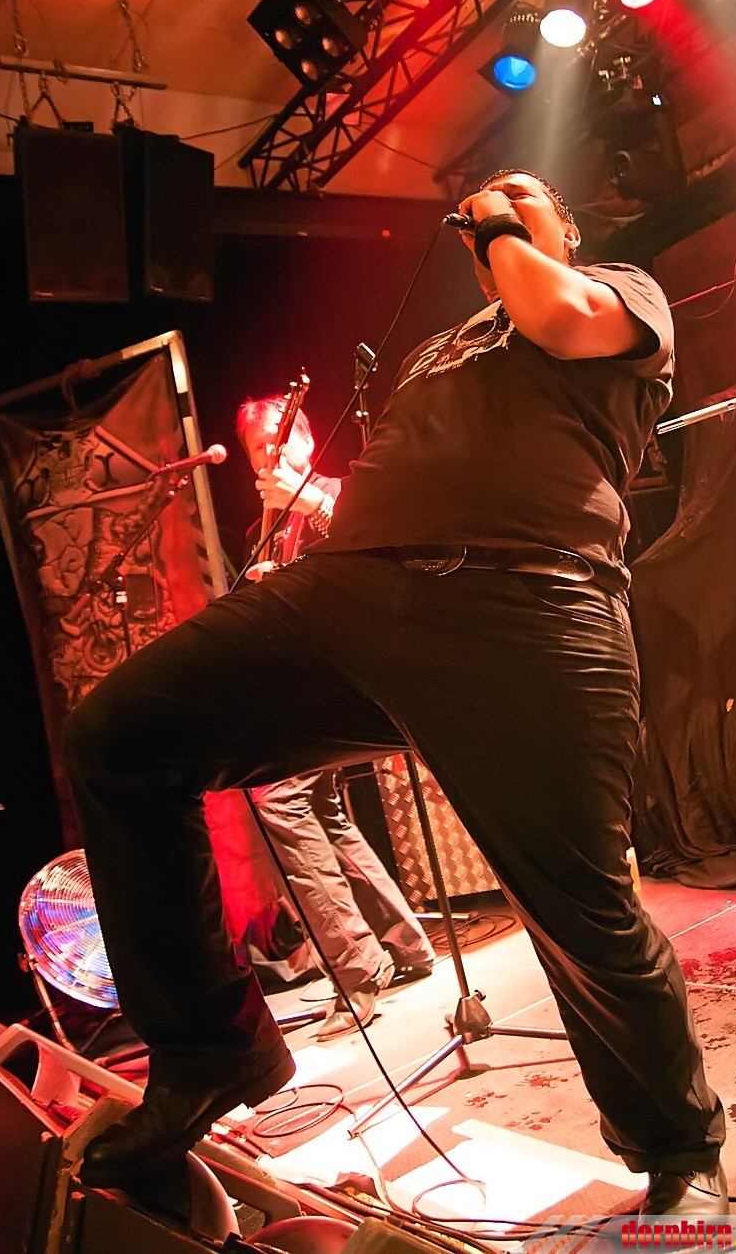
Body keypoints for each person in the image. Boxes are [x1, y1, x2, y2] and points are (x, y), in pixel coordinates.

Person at [64, 169, 727, 1217]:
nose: (491, 203)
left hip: (529, 600)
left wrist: (502, 225)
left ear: (565, 226)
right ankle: (208, 1053)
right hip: (354, 594)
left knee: (580, 904)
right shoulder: (439, 349)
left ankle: (679, 1152)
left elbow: (555, 313)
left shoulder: (617, 291)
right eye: (487, 202)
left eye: (521, 193)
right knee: (119, 738)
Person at [235, 396, 436, 1038]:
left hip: (355, 679)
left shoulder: (339, 494)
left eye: (278, 440)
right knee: (320, 808)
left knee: (275, 797)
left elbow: (377, 548)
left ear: (306, 438)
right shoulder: (264, 527)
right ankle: (405, 945)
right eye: (256, 448)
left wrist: (307, 503)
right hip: (308, 684)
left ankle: (357, 967)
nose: (267, 456)